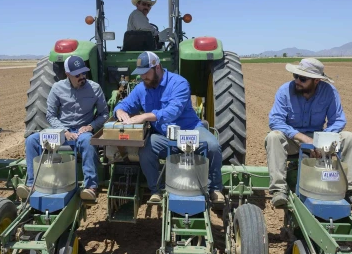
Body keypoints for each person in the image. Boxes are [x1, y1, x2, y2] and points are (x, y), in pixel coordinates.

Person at [114, 51, 225, 204]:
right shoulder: (141, 88)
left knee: (212, 146)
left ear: (157, 67)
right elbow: (125, 104)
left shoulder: (179, 83)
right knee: (146, 149)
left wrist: (145, 116)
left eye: (146, 73)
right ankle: (156, 190)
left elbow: (173, 111)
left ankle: (215, 190)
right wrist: (119, 110)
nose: (143, 77)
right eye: (140, 74)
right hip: (165, 136)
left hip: (189, 131)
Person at [265, 58, 352, 209]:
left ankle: (350, 192)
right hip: (294, 139)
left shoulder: (328, 92)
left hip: (319, 138)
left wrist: (323, 140)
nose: (297, 81)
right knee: (273, 136)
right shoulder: (285, 91)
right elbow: (275, 121)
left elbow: (338, 120)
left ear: (316, 81)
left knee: (350, 138)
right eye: (295, 76)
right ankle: (279, 190)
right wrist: (301, 137)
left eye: (302, 78)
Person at [20, 55, 108, 201]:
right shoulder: (57, 88)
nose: (82, 76)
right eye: (77, 74)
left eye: (84, 73)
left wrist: (91, 126)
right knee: (32, 141)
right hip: (60, 132)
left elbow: (104, 114)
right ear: (68, 74)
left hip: (82, 132)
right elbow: (51, 115)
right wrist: (64, 131)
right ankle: (31, 184)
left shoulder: (94, 88)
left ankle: (91, 187)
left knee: (88, 142)